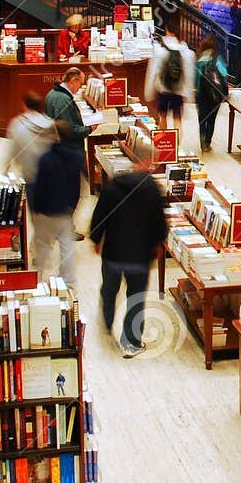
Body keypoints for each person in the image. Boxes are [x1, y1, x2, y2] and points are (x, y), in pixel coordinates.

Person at [88, 145, 167, 358]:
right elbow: (159, 223)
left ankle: (107, 320)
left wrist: (96, 238)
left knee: (109, 289)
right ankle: (131, 342)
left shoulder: (114, 186)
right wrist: (158, 244)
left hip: (113, 252)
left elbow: (100, 216)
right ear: (150, 163)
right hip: (139, 256)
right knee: (136, 298)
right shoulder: (152, 190)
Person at [29, 129, 82, 288]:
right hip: (65, 211)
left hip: (46, 211)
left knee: (43, 246)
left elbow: (38, 187)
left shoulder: (44, 159)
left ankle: (37, 279)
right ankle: (69, 282)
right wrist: (72, 207)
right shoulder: (75, 158)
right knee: (67, 247)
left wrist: (36, 209)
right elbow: (77, 186)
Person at [4, 90, 57, 191]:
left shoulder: (17, 124)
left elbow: (10, 153)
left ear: (24, 105)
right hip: (50, 175)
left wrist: (3, 173)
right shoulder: (51, 124)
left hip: (30, 176)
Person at [145, 20, 191, 132]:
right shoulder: (184, 49)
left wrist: (149, 93)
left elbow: (153, 71)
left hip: (163, 89)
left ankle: (164, 142)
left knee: (163, 117)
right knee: (177, 119)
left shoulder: (159, 48)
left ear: (166, 29)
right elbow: (188, 73)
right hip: (178, 91)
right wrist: (188, 94)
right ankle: (178, 146)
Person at [44, 65, 92, 155]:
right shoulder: (63, 99)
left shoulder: (52, 93)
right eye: (80, 84)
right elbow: (70, 130)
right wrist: (89, 129)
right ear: (73, 80)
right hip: (66, 151)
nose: (80, 88)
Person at [192, 37, 228, 154]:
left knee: (202, 119)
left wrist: (196, 90)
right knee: (211, 120)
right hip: (214, 96)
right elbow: (224, 74)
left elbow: (196, 79)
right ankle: (208, 143)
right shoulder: (218, 59)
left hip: (201, 94)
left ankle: (202, 141)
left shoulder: (199, 59)